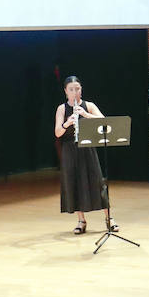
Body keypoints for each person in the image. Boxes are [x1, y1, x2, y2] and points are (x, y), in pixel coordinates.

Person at [53, 76, 111, 234]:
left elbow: (103, 121)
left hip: (88, 147)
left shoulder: (88, 105)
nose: (74, 92)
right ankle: (81, 220)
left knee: (98, 182)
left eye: (77, 88)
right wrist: (67, 123)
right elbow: (58, 133)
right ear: (66, 91)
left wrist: (85, 115)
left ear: (81, 89)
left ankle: (109, 218)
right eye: (71, 89)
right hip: (69, 150)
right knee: (74, 183)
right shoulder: (62, 109)